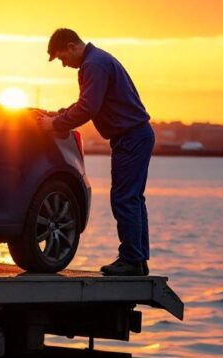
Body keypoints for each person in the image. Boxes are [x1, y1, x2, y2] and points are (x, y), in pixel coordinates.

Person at [38, 28, 154, 276]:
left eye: (62, 58)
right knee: (133, 198)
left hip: (131, 138)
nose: (64, 65)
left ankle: (132, 260)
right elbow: (87, 103)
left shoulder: (94, 65)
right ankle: (138, 259)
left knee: (124, 198)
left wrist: (54, 124)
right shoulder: (98, 61)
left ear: (71, 46)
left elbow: (87, 108)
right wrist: (59, 115)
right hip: (135, 136)